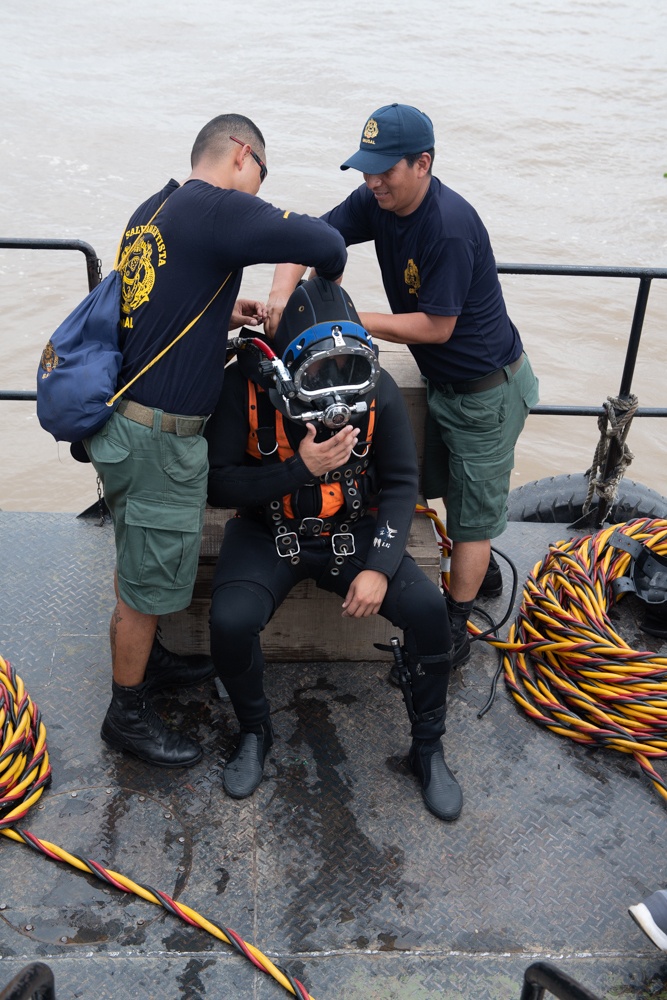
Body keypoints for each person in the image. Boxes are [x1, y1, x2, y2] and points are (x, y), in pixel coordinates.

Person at [84, 114, 348, 769]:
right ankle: (127, 717)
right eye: (257, 180)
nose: (254, 198)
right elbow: (324, 240)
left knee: (138, 559)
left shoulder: (158, 205)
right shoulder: (217, 209)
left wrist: (221, 311)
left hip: (123, 424)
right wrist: (303, 289)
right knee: (144, 589)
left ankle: (150, 659)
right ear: (240, 154)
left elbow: (146, 305)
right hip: (155, 442)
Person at [265, 103, 540, 670]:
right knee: (442, 485)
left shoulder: (449, 226)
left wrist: (351, 321)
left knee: (472, 518)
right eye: (365, 169)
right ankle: (477, 569)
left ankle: (456, 630)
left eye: (385, 170)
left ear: (423, 164)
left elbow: (437, 327)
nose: (372, 181)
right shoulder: (377, 201)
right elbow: (314, 238)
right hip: (443, 384)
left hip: (486, 390)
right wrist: (280, 296)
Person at [206, 276, 462, 821]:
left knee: (428, 609)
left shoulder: (379, 392)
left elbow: (398, 484)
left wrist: (380, 568)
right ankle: (255, 732)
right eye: (321, 374)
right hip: (268, 531)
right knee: (229, 619)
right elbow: (218, 485)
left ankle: (428, 746)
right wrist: (300, 468)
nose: (339, 391)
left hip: (351, 529)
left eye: (351, 370)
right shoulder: (242, 390)